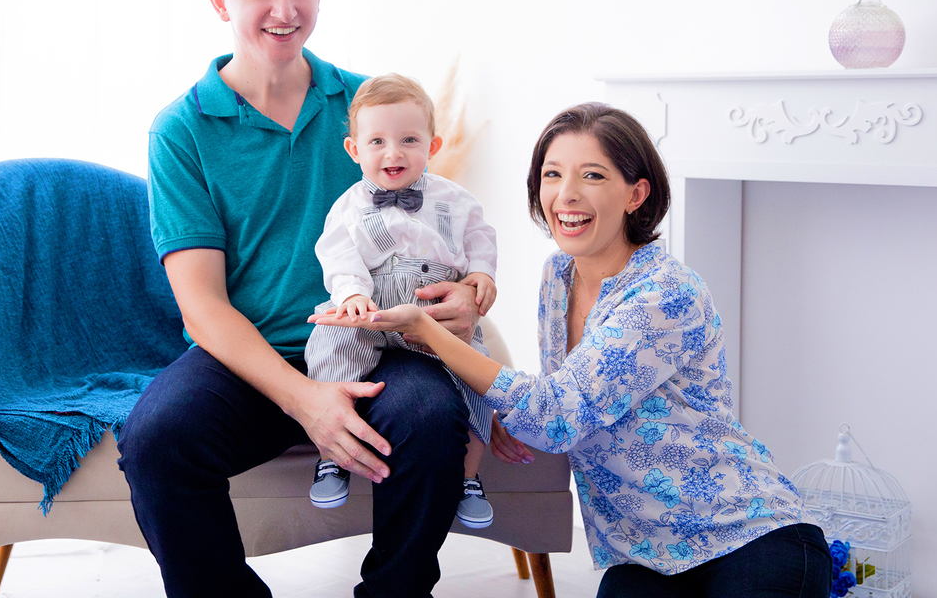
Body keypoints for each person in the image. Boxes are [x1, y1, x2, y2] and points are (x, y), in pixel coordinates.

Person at [313, 103, 833, 597]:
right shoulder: (558, 276)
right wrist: (500, 411)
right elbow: (568, 395)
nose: (566, 195)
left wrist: (429, 332)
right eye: (552, 174)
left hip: (747, 535)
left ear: (636, 194)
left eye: (593, 176)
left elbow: (558, 416)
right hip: (642, 556)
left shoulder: (665, 293)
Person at [117, 0, 482, 598]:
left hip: (378, 345)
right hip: (250, 358)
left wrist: (466, 292)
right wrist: (309, 401)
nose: (285, 10)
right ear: (220, 1)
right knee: (156, 439)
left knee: (432, 421)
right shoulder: (181, 131)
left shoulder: (371, 109)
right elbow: (203, 307)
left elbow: (441, 229)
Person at [305, 73, 498, 529]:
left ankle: (468, 478)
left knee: (476, 377)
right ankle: (331, 455)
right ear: (354, 150)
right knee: (330, 346)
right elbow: (337, 254)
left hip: (434, 310)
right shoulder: (348, 207)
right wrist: (352, 293)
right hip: (370, 306)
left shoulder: (456, 200)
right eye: (378, 142)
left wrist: (481, 273)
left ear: (433, 146)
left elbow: (480, 236)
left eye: (409, 140)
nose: (393, 153)